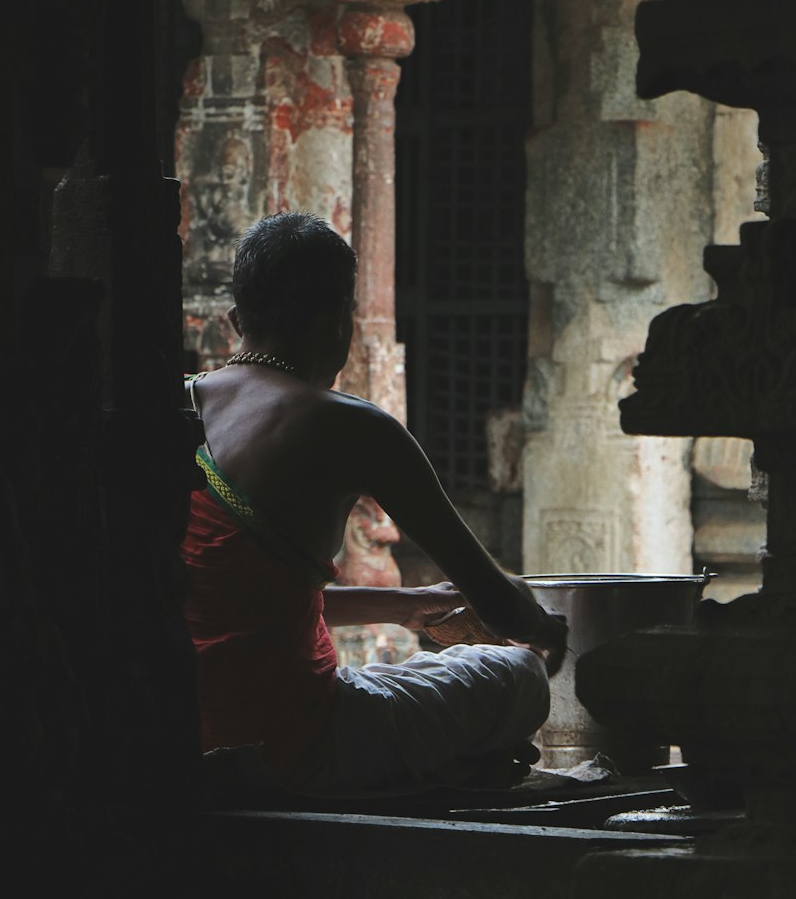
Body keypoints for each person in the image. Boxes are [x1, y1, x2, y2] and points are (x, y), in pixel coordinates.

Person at [181, 212, 568, 795]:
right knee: (517, 675)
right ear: (341, 321)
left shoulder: (178, 406)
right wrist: (546, 628)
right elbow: (499, 606)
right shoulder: (350, 425)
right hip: (294, 746)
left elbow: (246, 607)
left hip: (185, 736)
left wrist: (406, 604)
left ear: (237, 319)